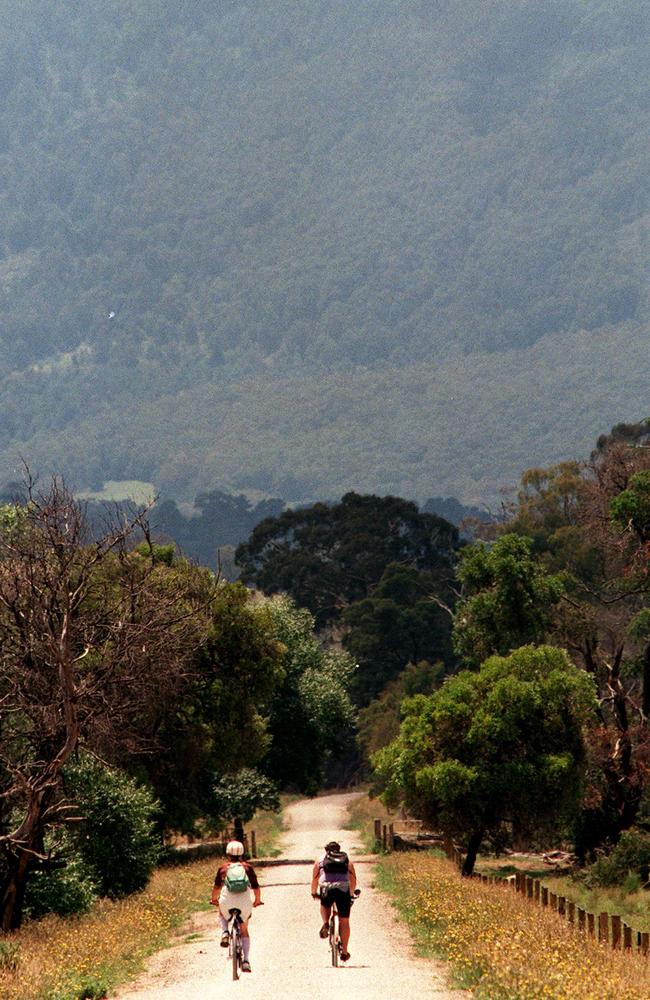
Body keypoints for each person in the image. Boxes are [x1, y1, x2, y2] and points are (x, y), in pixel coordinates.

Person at [211, 840, 262, 973]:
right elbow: (256, 887)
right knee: (244, 930)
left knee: (222, 913)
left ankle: (225, 932)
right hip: (244, 903)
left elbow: (216, 888)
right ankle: (246, 961)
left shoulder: (223, 868)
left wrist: (214, 900)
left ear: (228, 853)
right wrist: (257, 900)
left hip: (227, 901)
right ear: (241, 853)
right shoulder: (247, 868)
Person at [311, 840, 357, 962]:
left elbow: (315, 879)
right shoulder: (347, 860)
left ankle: (326, 923)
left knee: (325, 904)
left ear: (326, 851)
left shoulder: (320, 860)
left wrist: (314, 893)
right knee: (345, 920)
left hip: (327, 888)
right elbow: (353, 879)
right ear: (339, 849)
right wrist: (351, 894)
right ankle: (345, 951)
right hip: (343, 890)